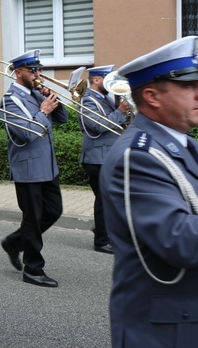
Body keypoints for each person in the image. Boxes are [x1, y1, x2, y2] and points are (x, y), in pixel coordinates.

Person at [99, 36, 198, 347]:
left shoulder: (186, 143)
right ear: (152, 96)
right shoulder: (138, 156)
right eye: (188, 86)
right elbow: (181, 241)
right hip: (166, 331)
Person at [0, 49, 67, 288]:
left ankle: (14, 242)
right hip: (28, 167)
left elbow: (62, 120)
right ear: (18, 72)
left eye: (39, 69)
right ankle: (33, 269)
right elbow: (26, 133)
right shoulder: (11, 99)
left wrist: (52, 100)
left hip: (47, 165)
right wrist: (43, 110)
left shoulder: (36, 93)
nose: (38, 74)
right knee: (33, 219)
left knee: (54, 211)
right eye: (33, 70)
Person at [78, 65, 131, 254]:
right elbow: (97, 126)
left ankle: (103, 230)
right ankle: (101, 241)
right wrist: (119, 112)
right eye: (106, 78)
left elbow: (119, 122)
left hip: (107, 156)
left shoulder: (107, 98)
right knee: (103, 199)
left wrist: (126, 111)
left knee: (109, 198)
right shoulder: (87, 100)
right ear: (96, 80)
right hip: (96, 158)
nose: (111, 83)